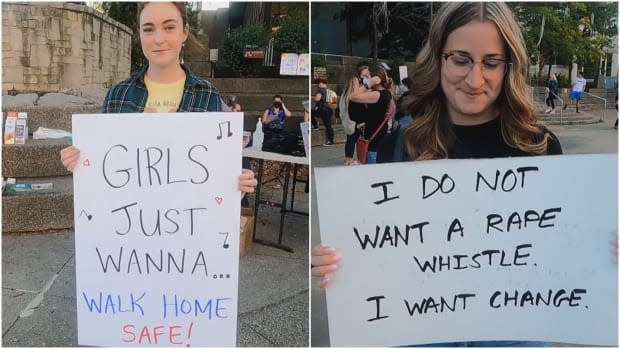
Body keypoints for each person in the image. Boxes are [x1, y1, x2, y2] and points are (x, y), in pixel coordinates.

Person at [312, 2, 570, 346]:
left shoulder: (540, 147)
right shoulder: (400, 145)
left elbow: (564, 244)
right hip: (421, 331)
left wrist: (604, 251)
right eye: (460, 59)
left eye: (491, 62)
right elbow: (375, 245)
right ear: (438, 59)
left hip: (513, 333)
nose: (475, 78)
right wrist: (335, 263)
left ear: (509, 66)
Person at [60, 2, 257, 196]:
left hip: (187, 220)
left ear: (184, 32)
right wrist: (80, 160)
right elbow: (104, 167)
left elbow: (217, 171)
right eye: (148, 29)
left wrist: (237, 184)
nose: (158, 39)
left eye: (169, 27)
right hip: (129, 220)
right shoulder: (118, 95)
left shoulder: (207, 95)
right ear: (140, 34)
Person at [349, 65, 395, 164]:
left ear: (376, 79)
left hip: (374, 142)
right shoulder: (386, 93)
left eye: (368, 76)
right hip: (379, 138)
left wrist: (368, 84)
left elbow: (352, 97)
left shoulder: (377, 94)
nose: (366, 79)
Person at [339, 77, 363, 165]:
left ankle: (347, 158)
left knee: (349, 139)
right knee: (352, 140)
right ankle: (350, 159)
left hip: (346, 121)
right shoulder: (354, 96)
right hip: (354, 121)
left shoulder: (344, 95)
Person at [312, 79, 335, 146]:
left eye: (318, 83)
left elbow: (317, 99)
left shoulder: (320, 90)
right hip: (329, 110)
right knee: (328, 126)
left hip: (322, 109)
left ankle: (315, 125)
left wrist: (314, 98)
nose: (318, 85)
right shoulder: (330, 90)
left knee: (310, 112)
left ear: (322, 83)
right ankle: (331, 141)